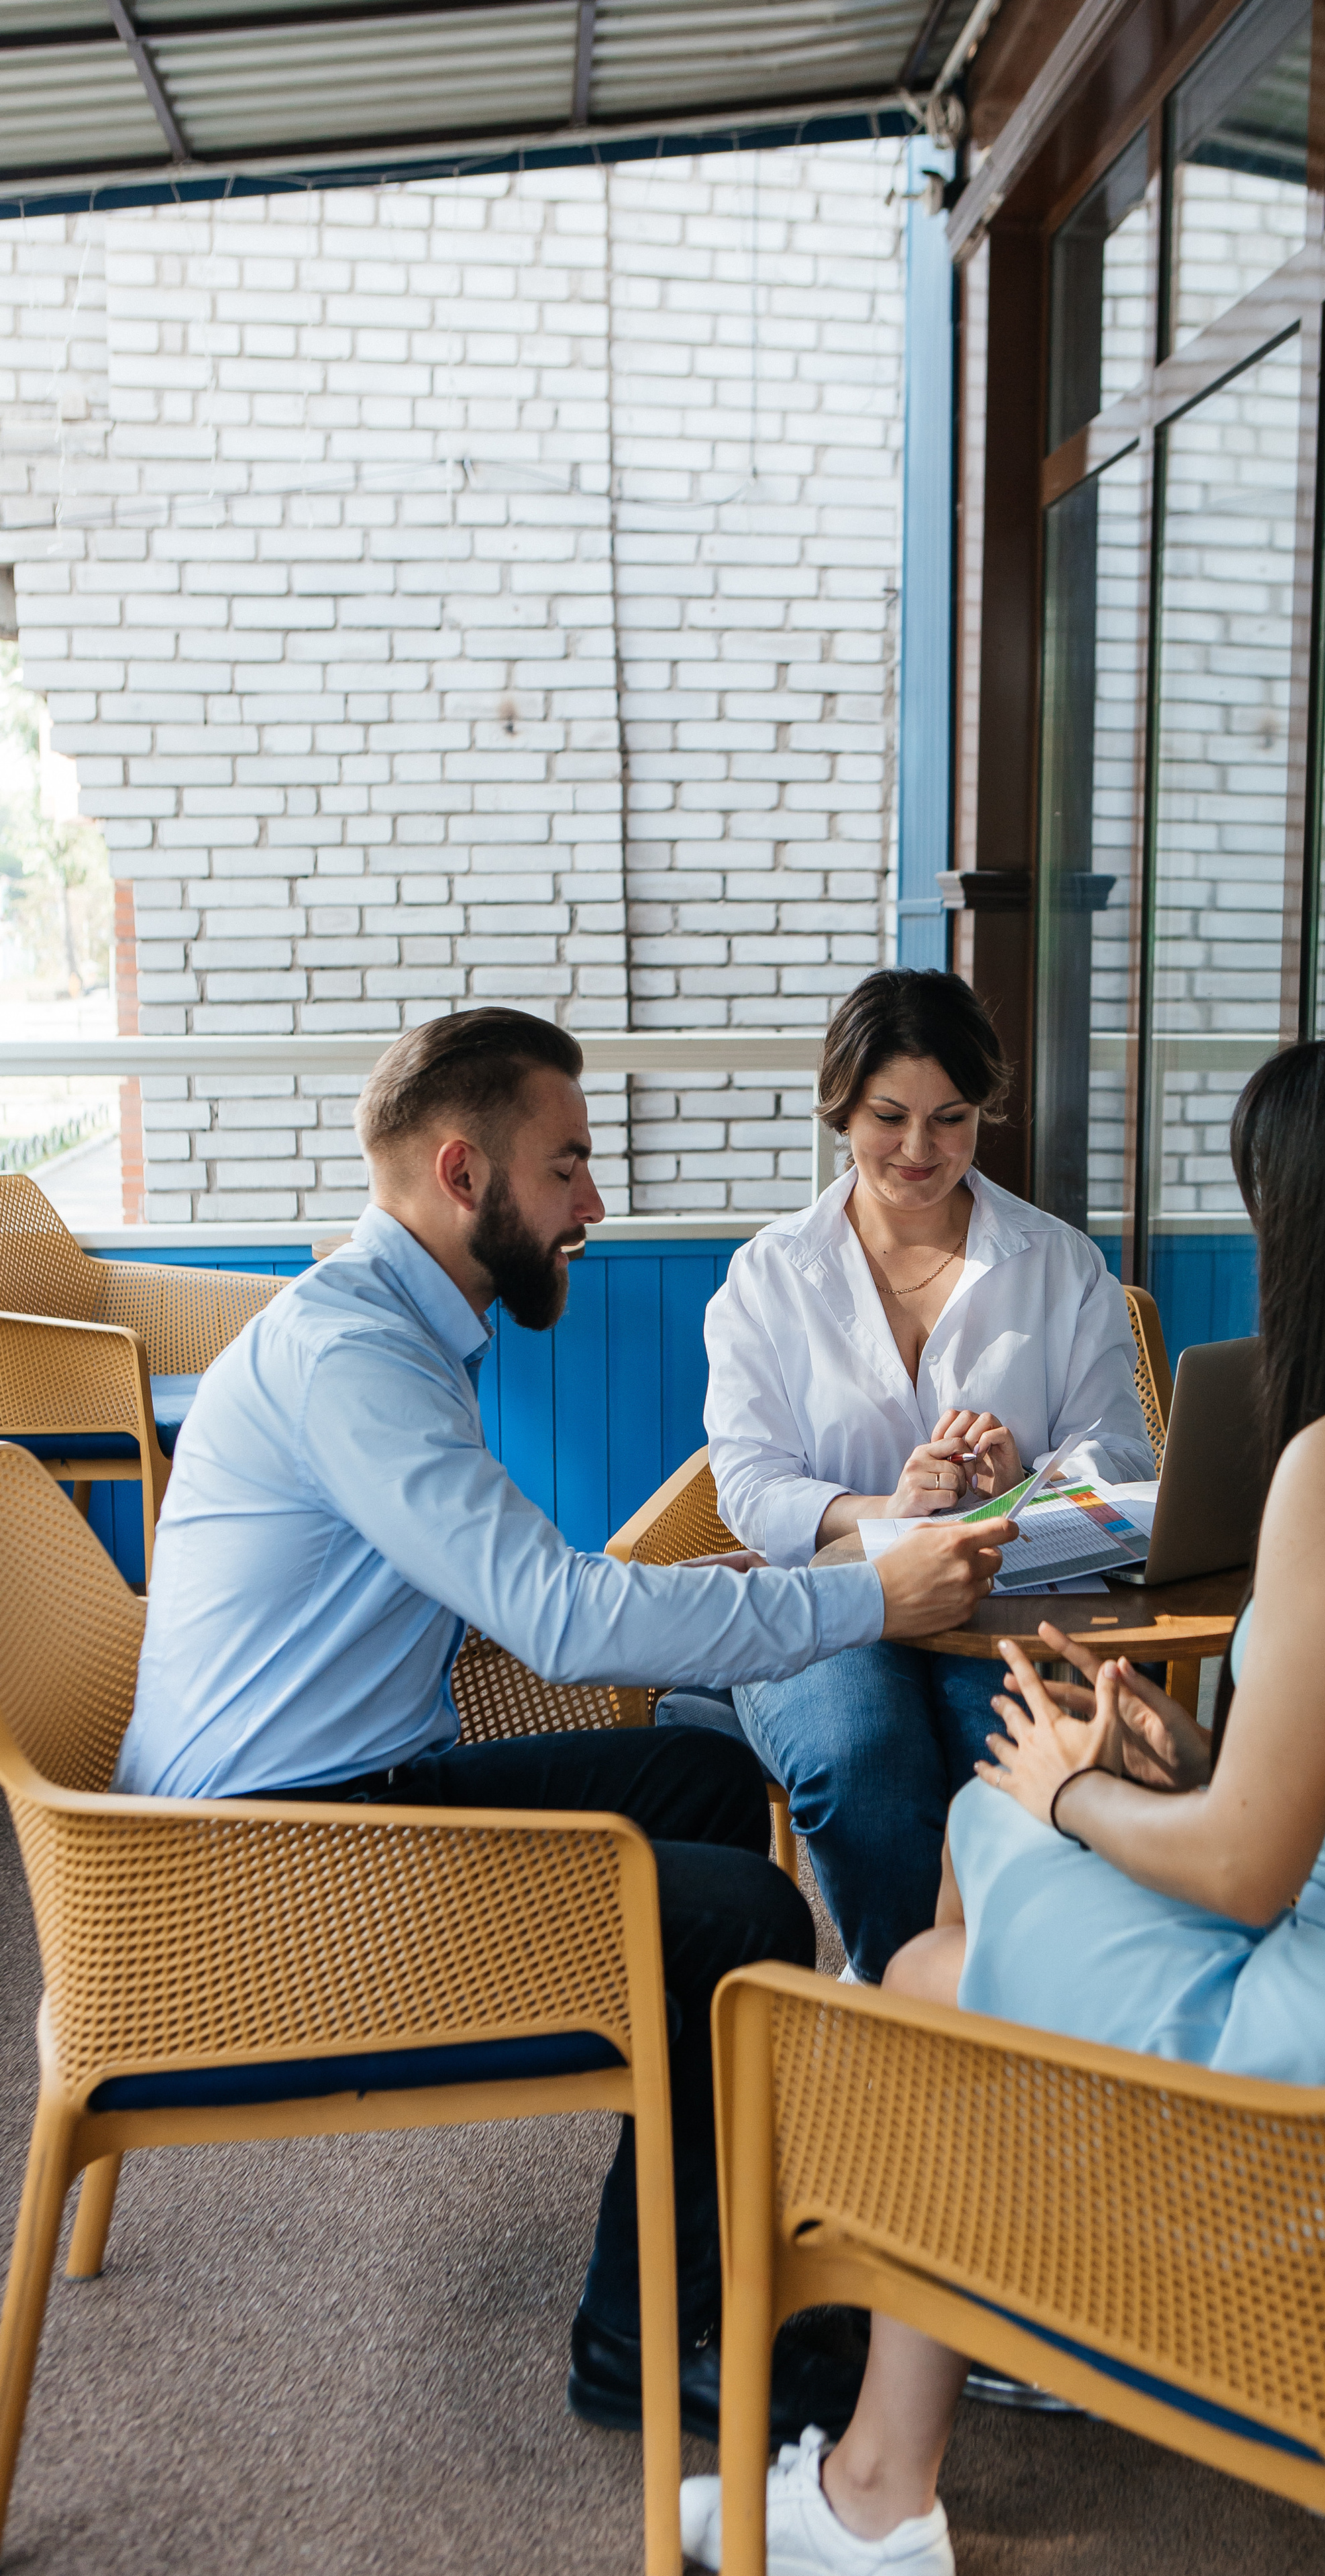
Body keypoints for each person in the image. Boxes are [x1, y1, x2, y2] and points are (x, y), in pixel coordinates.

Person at [681, 1010, 1325, 2574]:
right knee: (974, 1839)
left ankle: (882, 2480)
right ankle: (900, 2443)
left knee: (957, 1911)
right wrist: (1187, 1762)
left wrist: (1078, 1799)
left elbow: (1251, 1876)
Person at [112, 1006, 1008, 2453]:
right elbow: (559, 1622)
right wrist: (858, 1592)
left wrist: (739, 1587)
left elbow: (532, 1591)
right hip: (267, 1876)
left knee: (702, 1774)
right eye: (568, 1168)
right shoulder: (355, 1357)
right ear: (462, 1174)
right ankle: (653, 2344)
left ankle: (696, 2237)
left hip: (342, 1793)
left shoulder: (386, 1324)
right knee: (737, 1921)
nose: (595, 1203)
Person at [695, 967, 1156, 1983]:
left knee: (1001, 1760)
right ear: (841, 1110)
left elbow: (1121, 1452)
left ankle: (1001, 1996)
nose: (919, 1151)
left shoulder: (1059, 1262)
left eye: (950, 1119)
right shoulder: (769, 1276)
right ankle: (902, 2001)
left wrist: (1025, 1475)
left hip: (1006, 1596)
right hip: (833, 1602)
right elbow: (748, 1483)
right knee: (863, 1758)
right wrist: (881, 1510)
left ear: (983, 1110)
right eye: (889, 1117)